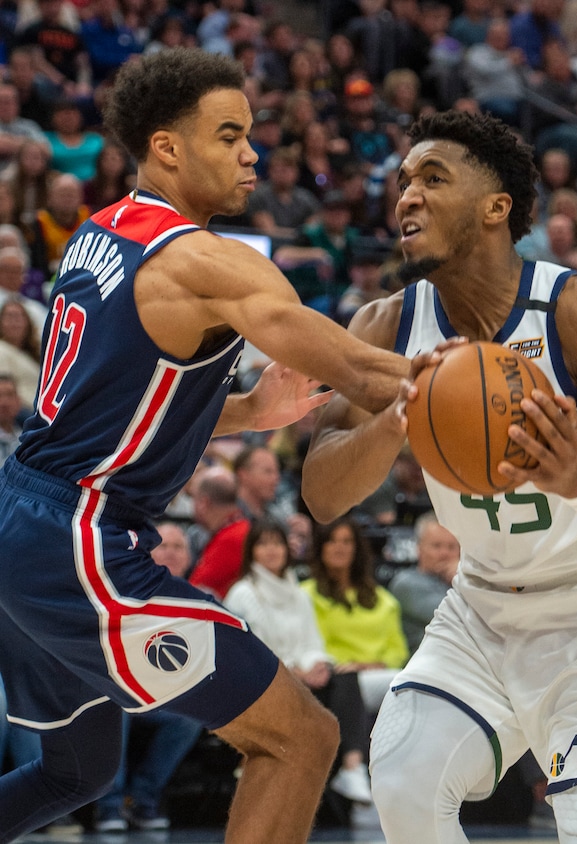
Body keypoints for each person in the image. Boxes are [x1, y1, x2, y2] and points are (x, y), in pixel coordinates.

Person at [0, 47, 412, 844]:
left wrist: (250, 409)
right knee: (302, 737)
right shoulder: (200, 261)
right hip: (80, 541)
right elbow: (356, 365)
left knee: (75, 771)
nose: (252, 152)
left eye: (250, 134)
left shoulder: (101, 230)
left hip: (25, 514)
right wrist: (447, 381)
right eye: (230, 135)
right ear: (168, 147)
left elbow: (115, 402)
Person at [301, 109, 577, 844]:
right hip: (483, 608)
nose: (405, 194)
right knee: (405, 774)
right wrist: (397, 418)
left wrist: (576, 478)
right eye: (403, 180)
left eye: (432, 179)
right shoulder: (384, 326)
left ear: (497, 207)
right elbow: (320, 495)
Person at [223, 517, 373, 805]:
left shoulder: (298, 593)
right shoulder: (242, 593)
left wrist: (318, 665)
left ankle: (353, 768)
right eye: (263, 544)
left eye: (277, 543)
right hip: (263, 682)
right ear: (251, 551)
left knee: (345, 679)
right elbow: (246, 651)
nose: (272, 551)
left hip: (301, 679)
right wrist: (292, 671)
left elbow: (312, 642)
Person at [94, 522, 203, 831]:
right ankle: (110, 805)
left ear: (189, 557)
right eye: (164, 546)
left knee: (189, 718)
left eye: (178, 547)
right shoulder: (124, 594)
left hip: (166, 695)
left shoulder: (201, 598)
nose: (171, 552)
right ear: (147, 553)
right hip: (120, 691)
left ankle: (143, 799)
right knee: (116, 707)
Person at [300, 515, 409, 714]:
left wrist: (370, 666)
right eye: (332, 541)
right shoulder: (305, 595)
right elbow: (314, 644)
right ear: (320, 548)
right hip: (336, 677)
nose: (339, 547)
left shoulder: (383, 598)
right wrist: (349, 667)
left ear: (356, 548)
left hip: (382, 673)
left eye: (346, 541)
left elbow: (398, 650)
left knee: (412, 686)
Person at [388, 510, 458, 654]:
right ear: (419, 548)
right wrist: (463, 579)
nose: (445, 553)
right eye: (436, 546)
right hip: (423, 667)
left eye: (452, 547)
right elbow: (455, 618)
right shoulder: (406, 583)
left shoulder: (458, 582)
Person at [187, 464, 250, 601]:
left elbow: (195, 594)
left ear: (203, 503)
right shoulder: (241, 529)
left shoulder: (230, 539)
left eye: (193, 498)